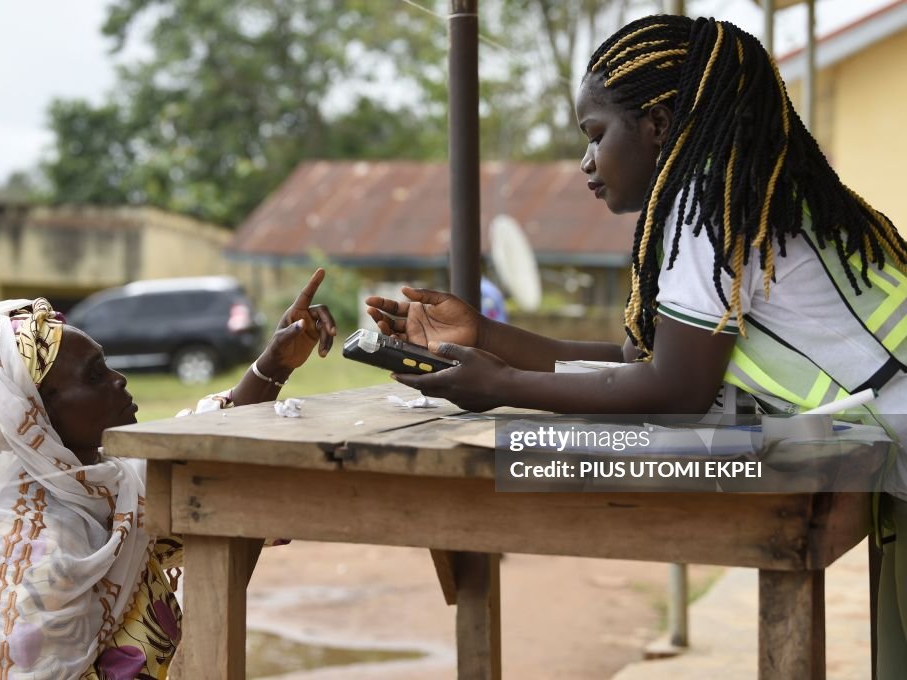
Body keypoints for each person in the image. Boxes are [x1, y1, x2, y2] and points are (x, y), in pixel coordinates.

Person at [366, 15, 907, 674]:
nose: (586, 161)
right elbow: (645, 366)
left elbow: (674, 391)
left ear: (657, 122)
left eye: (595, 134)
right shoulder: (749, 190)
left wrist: (501, 387)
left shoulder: (707, 205)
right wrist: (485, 339)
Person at [0, 269, 336, 678]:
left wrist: (274, 364)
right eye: (94, 375)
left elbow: (188, 454)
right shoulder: (35, 558)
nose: (118, 380)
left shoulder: (96, 491)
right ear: (35, 416)